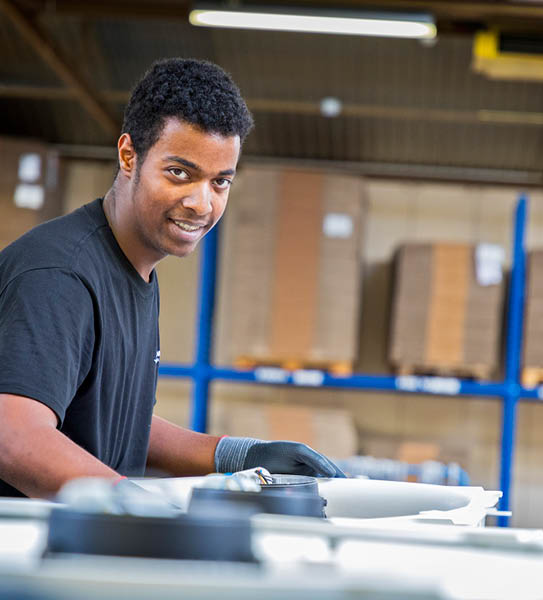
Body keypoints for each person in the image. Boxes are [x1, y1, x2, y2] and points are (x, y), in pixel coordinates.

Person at [0, 58, 344, 498]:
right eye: (180, 173)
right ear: (129, 156)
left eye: (220, 182)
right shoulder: (60, 277)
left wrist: (234, 455)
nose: (201, 203)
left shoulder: (134, 270)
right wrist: (135, 507)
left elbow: (115, 420)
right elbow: (15, 436)